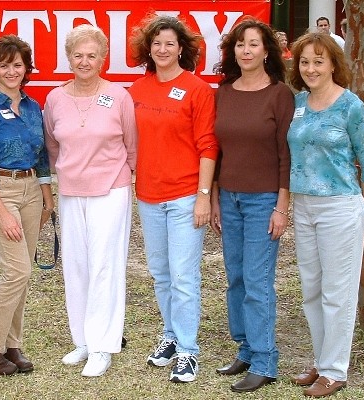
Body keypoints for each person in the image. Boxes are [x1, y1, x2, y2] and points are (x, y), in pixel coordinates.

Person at [287, 33, 364, 398]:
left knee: (337, 293)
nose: (310, 68)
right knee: (311, 289)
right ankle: (321, 358)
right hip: (303, 206)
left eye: (318, 61)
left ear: (333, 64)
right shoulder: (298, 103)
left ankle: (334, 370)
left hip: (341, 207)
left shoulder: (350, 106)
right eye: (305, 62)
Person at [128, 15, 218, 383]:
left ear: (182, 49)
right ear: (148, 49)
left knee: (183, 277)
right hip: (148, 196)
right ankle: (169, 335)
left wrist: (202, 196)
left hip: (184, 197)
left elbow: (208, 146)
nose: (162, 49)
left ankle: (187, 351)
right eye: (156, 43)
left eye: (169, 43)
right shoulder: (136, 91)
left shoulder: (197, 90)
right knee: (161, 274)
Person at [44, 24, 137, 378]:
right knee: (77, 265)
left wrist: (124, 178)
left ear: (103, 58)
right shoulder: (55, 99)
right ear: (69, 57)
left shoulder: (119, 96)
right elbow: (53, 144)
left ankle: (103, 346)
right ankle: (82, 340)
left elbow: (131, 145)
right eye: (78, 55)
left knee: (104, 266)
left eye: (92, 55)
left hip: (110, 190)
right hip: (71, 190)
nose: (85, 61)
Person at [211, 18, 293, 392]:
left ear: (266, 51)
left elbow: (285, 155)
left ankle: (265, 362)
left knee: (258, 283)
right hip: (228, 197)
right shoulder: (224, 91)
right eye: (240, 44)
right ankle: (245, 349)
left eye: (254, 44)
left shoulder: (280, 94)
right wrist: (213, 198)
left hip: (264, 201)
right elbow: (217, 149)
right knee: (237, 279)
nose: (246, 50)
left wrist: (281, 206)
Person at [0, 35, 54, 376]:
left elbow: (43, 153)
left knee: (25, 273)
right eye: (5, 65)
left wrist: (47, 193)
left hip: (32, 187)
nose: (12, 71)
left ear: (26, 68)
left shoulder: (33, 107)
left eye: (18, 64)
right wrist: (1, 211)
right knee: (17, 269)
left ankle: (12, 343)